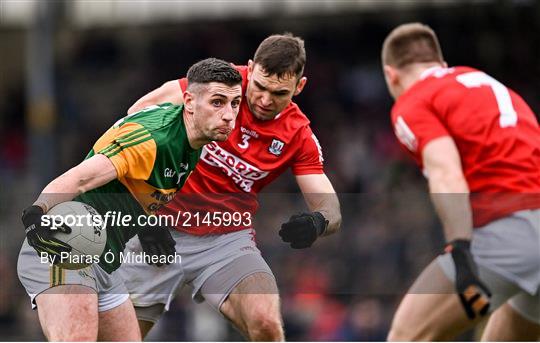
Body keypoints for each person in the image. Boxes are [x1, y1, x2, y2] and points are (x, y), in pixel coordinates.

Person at [120, 33, 342, 340]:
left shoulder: (298, 134)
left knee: (266, 322)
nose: (265, 100)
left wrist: (317, 222)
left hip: (225, 239)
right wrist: (142, 216)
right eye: (260, 86)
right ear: (249, 69)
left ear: (299, 87)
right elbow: (133, 121)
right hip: (158, 227)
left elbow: (330, 208)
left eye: (278, 93)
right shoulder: (214, 84)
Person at [16, 58, 243, 341]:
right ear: (189, 102)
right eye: (218, 102)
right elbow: (80, 178)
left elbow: (136, 164)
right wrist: (37, 212)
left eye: (235, 104)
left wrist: (149, 225)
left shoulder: (193, 140)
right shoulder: (152, 140)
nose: (229, 115)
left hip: (104, 260)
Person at [381, 22, 540, 340]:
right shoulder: (487, 85)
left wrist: (462, 250)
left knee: (405, 336)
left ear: (391, 75)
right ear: (440, 64)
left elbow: (446, 173)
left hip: (510, 232)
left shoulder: (415, 101)